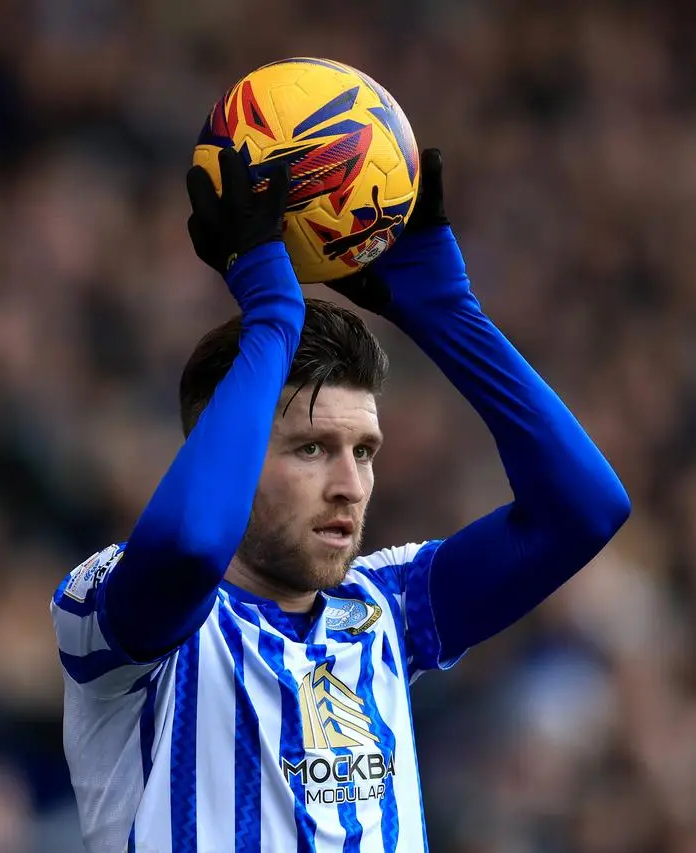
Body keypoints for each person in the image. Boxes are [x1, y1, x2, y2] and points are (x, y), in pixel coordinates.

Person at [51, 146, 631, 853]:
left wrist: (449, 314)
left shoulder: (386, 610)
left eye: (363, 451)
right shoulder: (124, 621)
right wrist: (269, 319)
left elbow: (584, 510)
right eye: (310, 448)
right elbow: (191, 544)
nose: (349, 483)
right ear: (222, 450)